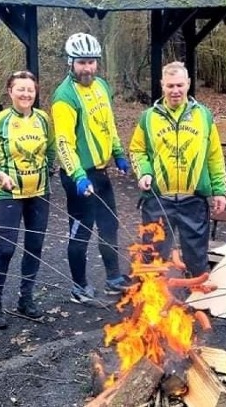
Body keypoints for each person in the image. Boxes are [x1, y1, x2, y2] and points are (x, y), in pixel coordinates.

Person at [52, 33, 132, 304]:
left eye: (91, 62)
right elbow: (63, 143)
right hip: (79, 177)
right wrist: (78, 176)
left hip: (101, 171)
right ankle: (79, 286)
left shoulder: (102, 87)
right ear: (71, 62)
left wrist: (119, 153)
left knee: (109, 225)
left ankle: (113, 278)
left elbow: (108, 124)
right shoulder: (65, 96)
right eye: (81, 62)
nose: (87, 68)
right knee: (81, 230)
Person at [129, 61, 226, 276]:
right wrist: (144, 172)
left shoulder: (204, 115)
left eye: (180, 85)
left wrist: (219, 190)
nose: (175, 91)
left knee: (196, 257)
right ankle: (151, 303)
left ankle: (198, 300)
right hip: (157, 198)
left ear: (189, 84)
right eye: (171, 85)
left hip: (193, 199)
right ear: (162, 85)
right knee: (154, 255)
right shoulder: (148, 117)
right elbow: (137, 150)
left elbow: (214, 155)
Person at [0, 71, 55, 328]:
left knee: (34, 246)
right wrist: (0, 174)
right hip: (9, 194)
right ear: (10, 91)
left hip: (39, 194)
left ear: (36, 93)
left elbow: (51, 151)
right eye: (20, 89)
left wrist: (48, 170)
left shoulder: (44, 120)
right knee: (6, 248)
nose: (26, 94)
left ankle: (26, 299)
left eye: (30, 90)